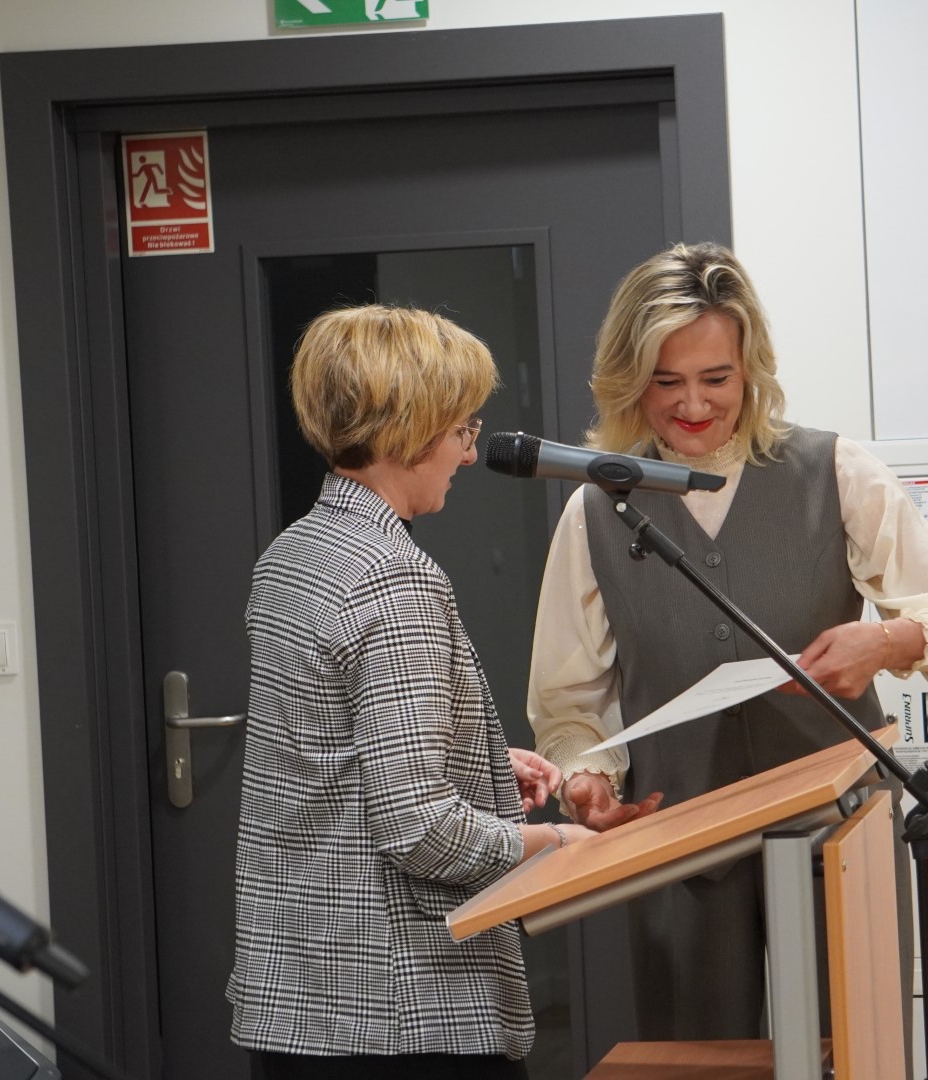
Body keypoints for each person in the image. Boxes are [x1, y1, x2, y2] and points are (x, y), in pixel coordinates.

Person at [527, 242, 928, 1040]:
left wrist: (885, 643)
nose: (693, 405)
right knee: (699, 1058)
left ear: (751, 370)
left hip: (840, 835)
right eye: (666, 381)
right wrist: (586, 775)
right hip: (680, 848)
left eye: (716, 378)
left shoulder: (837, 471)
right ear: (629, 378)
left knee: (852, 1048)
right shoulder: (595, 510)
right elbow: (569, 705)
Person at [228, 304, 593, 1079]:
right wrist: (555, 846)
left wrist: (480, 760)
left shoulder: (293, 555)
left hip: (301, 997)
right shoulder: (393, 579)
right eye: (462, 429)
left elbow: (327, 756)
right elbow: (419, 830)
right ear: (411, 428)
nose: (469, 453)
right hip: (400, 1011)